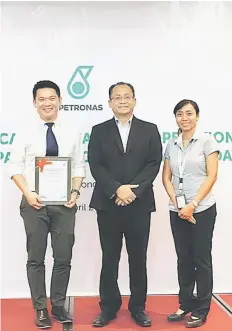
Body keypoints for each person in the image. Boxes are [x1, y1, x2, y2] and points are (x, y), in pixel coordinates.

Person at [8, 80, 85, 329]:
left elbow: (79, 166)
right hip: (34, 204)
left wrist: (74, 191)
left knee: (63, 257)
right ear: (34, 103)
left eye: (51, 98)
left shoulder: (72, 132)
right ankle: (40, 308)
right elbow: (14, 167)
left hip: (64, 205)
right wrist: (28, 194)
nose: (47, 103)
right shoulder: (25, 133)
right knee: (36, 258)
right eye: (41, 99)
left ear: (60, 100)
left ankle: (59, 305)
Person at [88, 82, 162, 327]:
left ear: (134, 100)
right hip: (108, 204)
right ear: (109, 103)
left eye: (126, 97)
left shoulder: (150, 130)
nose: (122, 101)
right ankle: (108, 307)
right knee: (109, 258)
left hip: (138, 205)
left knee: (137, 258)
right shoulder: (98, 130)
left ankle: (138, 307)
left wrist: (133, 191)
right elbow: (95, 164)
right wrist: (116, 189)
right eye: (117, 97)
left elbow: (153, 163)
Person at [162, 99, 219, 328]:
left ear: (197, 115)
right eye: (180, 114)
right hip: (177, 210)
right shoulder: (171, 144)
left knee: (201, 259)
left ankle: (202, 309)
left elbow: (212, 175)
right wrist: (178, 204)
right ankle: (185, 303)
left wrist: (192, 204)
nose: (184, 118)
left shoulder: (207, 141)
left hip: (202, 209)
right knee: (183, 258)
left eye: (189, 113)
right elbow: (166, 177)